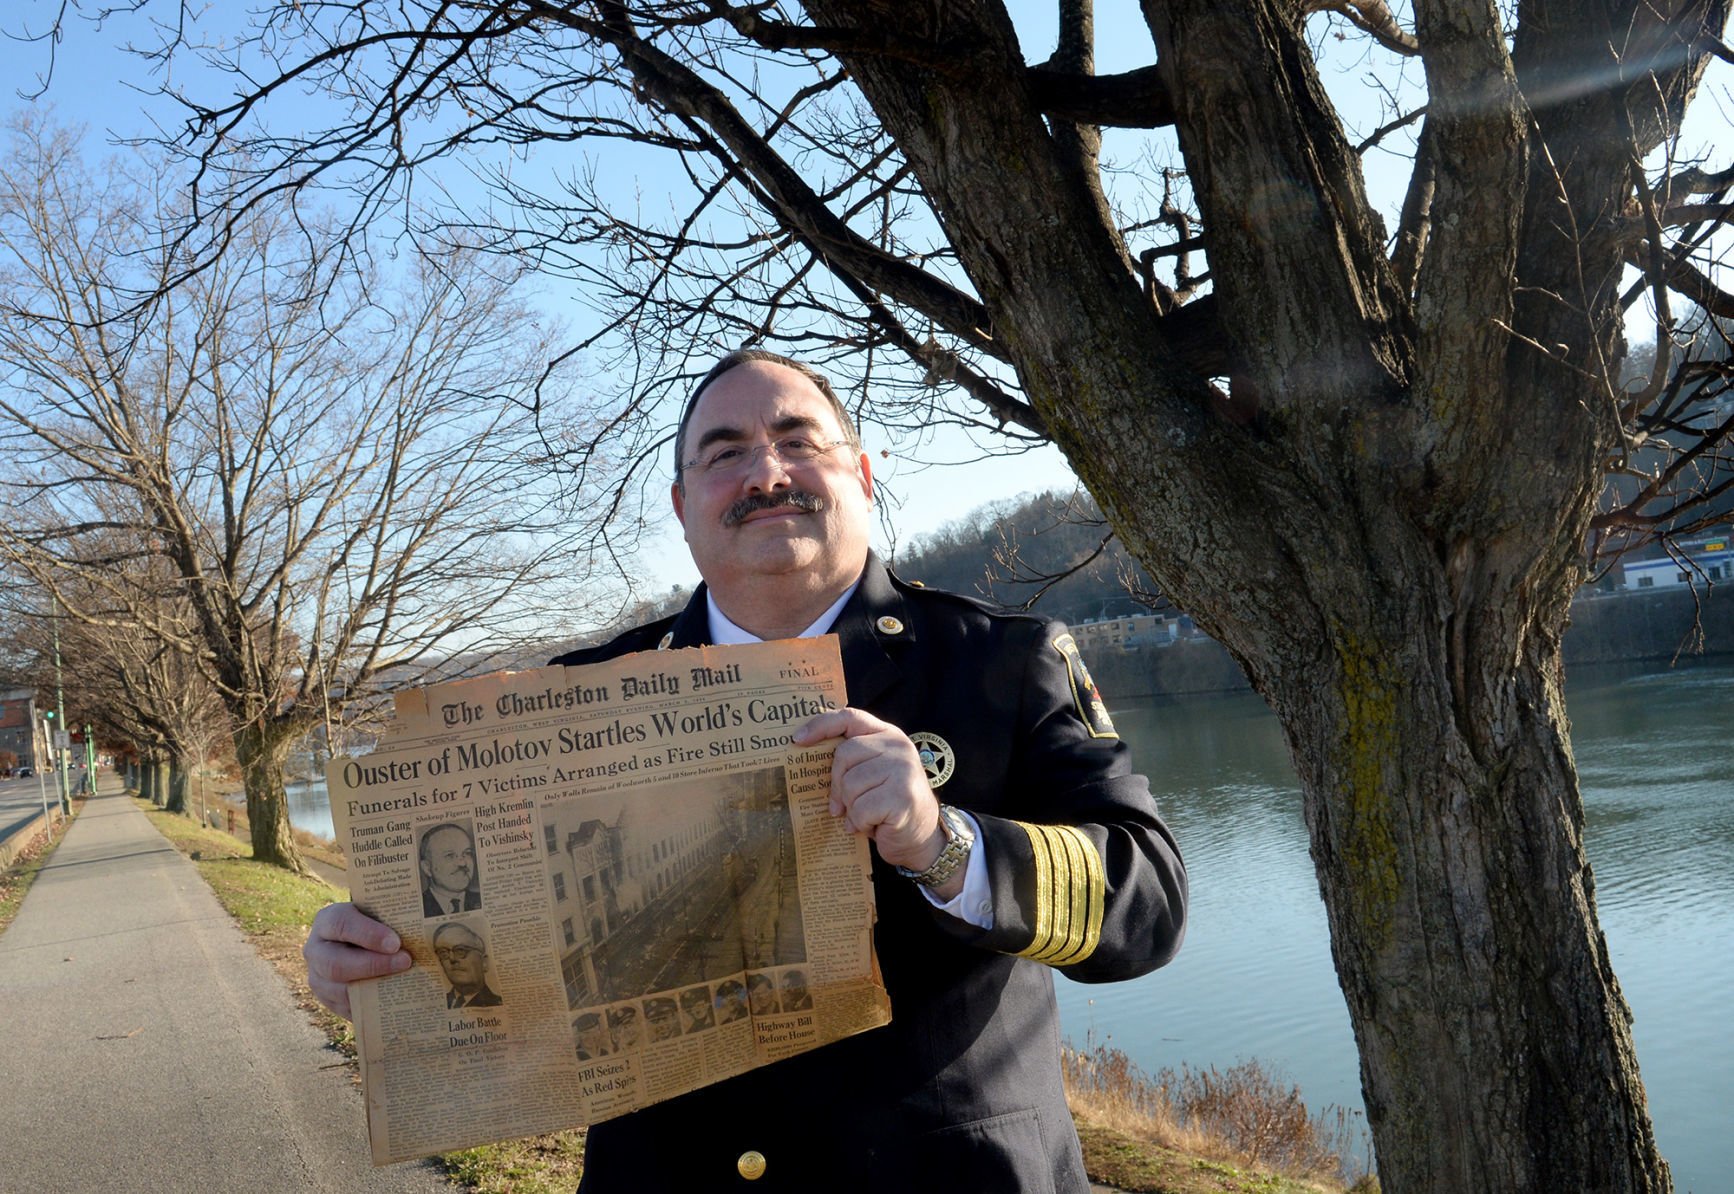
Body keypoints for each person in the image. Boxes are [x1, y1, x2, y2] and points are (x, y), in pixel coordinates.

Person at [304, 348, 1187, 1192]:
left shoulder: (1002, 661)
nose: (767, 473)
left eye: (798, 441)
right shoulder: (572, 702)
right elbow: (512, 963)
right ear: (683, 506)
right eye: (726, 454)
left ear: (862, 477)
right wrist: (388, 985)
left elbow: (1148, 905)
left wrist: (944, 845)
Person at [433, 922, 502, 1009]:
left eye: (460, 950)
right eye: (443, 953)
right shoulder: (435, 1004)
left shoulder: (497, 1004)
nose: (452, 959)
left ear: (484, 962)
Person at [419, 822, 481, 918]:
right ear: (427, 868)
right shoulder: (421, 908)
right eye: (450, 856)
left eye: (467, 853)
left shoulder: (481, 900)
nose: (462, 863)